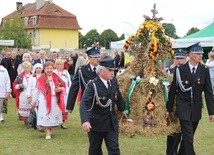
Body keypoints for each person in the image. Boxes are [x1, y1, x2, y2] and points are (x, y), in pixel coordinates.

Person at [165, 42, 214, 155]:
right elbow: (173, 90)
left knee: (188, 137)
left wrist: (212, 112)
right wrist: (169, 109)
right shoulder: (180, 70)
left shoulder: (204, 70)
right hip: (183, 108)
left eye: (201, 53)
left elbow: (208, 92)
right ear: (190, 54)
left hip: (196, 109)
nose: (200, 56)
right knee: (188, 135)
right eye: (197, 53)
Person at [80, 55, 126, 155]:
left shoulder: (113, 81)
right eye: (109, 70)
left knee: (114, 149)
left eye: (113, 70)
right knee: (95, 150)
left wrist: (124, 110)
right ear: (101, 70)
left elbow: (117, 95)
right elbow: (84, 103)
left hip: (111, 122)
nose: (112, 73)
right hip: (96, 123)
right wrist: (85, 121)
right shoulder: (93, 85)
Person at [32, 61, 65, 139]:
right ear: (44, 69)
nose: (49, 70)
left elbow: (64, 85)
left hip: (54, 100)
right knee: (46, 115)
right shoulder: (41, 78)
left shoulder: (56, 77)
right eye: (47, 68)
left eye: (50, 68)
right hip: (44, 101)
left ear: (53, 68)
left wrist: (60, 89)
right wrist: (34, 101)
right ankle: (47, 133)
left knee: (53, 116)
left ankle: (50, 130)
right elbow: (37, 90)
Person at [66, 47, 100, 112]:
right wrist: (70, 106)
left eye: (99, 57)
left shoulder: (103, 69)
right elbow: (74, 88)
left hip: (102, 103)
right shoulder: (82, 70)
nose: (98, 59)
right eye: (95, 57)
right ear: (89, 58)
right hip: (87, 102)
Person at [166, 50, 187, 155]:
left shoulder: (189, 71)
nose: (179, 61)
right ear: (174, 60)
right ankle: (171, 152)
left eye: (181, 58)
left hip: (186, 107)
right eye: (177, 59)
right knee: (173, 132)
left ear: (185, 59)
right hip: (173, 106)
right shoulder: (169, 72)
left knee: (186, 133)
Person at [13, 61, 33, 127]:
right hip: (23, 93)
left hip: (32, 93)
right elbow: (14, 84)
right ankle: (25, 121)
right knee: (24, 106)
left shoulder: (33, 75)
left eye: (28, 67)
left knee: (31, 106)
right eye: (25, 67)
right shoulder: (20, 76)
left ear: (30, 68)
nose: (26, 69)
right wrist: (19, 86)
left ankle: (32, 120)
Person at [53, 59, 71, 129]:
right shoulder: (54, 72)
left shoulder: (66, 72)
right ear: (56, 65)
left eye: (62, 65)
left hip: (65, 92)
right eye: (59, 65)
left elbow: (69, 82)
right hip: (56, 92)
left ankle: (63, 122)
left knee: (65, 107)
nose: (61, 66)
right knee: (56, 106)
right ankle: (56, 121)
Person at [0, 57, 11, 123]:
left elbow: (7, 81)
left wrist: (8, 91)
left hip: (2, 90)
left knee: (1, 104)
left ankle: (0, 116)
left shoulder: (4, 70)